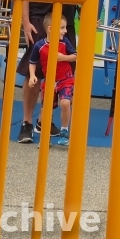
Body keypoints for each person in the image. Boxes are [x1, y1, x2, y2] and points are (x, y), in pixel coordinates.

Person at [16, 0, 84, 145]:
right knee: (34, 72)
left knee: (62, 74)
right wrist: (26, 22)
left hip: (66, 24)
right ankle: (27, 122)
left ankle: (43, 120)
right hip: (40, 21)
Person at [27, 13, 77, 146]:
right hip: (50, 81)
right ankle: (45, 135)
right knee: (46, 108)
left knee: (65, 103)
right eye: (62, 28)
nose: (65, 31)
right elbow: (32, 62)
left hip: (65, 79)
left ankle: (64, 131)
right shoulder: (40, 46)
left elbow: (75, 55)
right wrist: (32, 75)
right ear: (50, 29)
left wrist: (64, 58)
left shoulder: (64, 42)